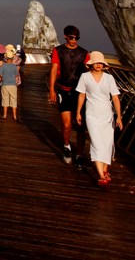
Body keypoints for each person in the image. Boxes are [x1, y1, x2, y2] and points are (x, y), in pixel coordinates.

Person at [75, 51, 122, 185]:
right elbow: (81, 95)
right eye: (96, 62)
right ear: (91, 64)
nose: (98, 65)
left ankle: (105, 170)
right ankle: (101, 175)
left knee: (107, 142)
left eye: (100, 63)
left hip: (107, 114)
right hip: (91, 114)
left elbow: (115, 97)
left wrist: (119, 116)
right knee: (96, 142)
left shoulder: (109, 78)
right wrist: (78, 112)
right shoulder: (85, 77)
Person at [48, 25, 89, 164]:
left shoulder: (84, 53)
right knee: (66, 125)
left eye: (77, 38)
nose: (74, 40)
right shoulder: (58, 51)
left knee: (80, 125)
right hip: (63, 90)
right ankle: (66, 146)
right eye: (71, 37)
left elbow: (89, 72)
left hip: (79, 92)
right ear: (65, 36)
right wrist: (52, 90)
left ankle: (79, 154)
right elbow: (54, 70)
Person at [0, 44, 22, 120]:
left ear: (6, 57)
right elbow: (17, 75)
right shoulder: (14, 66)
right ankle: (14, 116)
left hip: (5, 85)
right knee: (14, 99)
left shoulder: (3, 66)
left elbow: (0, 75)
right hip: (13, 85)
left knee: (5, 99)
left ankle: (5, 115)